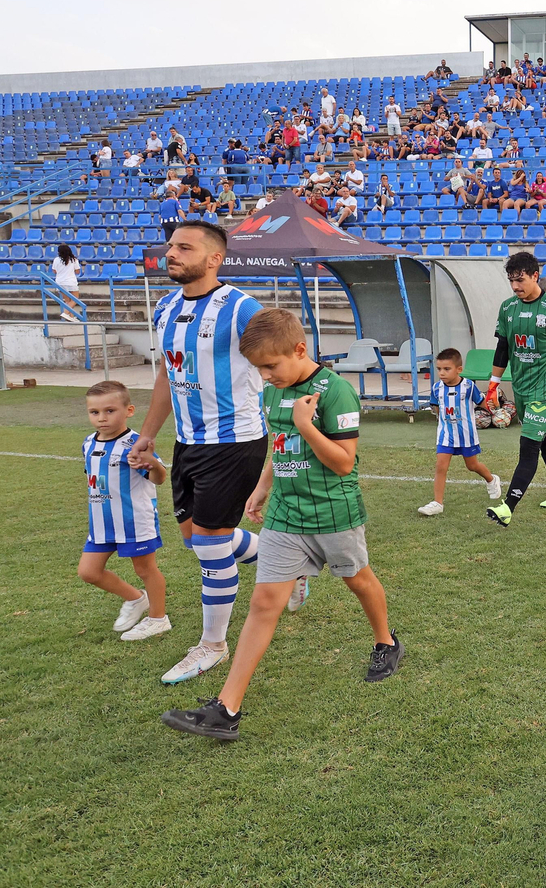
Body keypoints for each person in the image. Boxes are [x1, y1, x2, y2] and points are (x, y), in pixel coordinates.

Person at [160, 309, 404, 740]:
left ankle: (386, 641)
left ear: (299, 350)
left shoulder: (336, 391)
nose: (265, 376)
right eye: (258, 369)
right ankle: (226, 709)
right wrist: (262, 486)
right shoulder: (273, 393)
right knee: (263, 604)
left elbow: (343, 463)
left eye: (270, 366)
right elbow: (280, 444)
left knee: (359, 581)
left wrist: (305, 426)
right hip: (285, 514)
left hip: (334, 513)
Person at [128, 222, 297, 685]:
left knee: (208, 543)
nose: (171, 253)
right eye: (171, 246)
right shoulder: (165, 308)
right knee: (194, 537)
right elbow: (167, 377)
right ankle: (290, 566)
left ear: (214, 258)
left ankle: (212, 645)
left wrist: (294, 421)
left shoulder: (242, 308)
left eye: (185, 247)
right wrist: (148, 434)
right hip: (189, 443)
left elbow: (285, 361)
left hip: (235, 441)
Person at [483, 252, 546, 526]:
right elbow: (503, 348)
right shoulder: (508, 308)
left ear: (535, 276)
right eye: (511, 280)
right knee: (545, 437)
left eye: (520, 280)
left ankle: (507, 507)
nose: (515, 286)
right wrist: (493, 384)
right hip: (522, 388)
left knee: (528, 445)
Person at [78, 380, 172, 641]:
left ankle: (158, 619)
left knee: (145, 570)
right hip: (102, 523)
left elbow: (160, 479)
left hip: (134, 520)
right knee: (88, 572)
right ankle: (135, 598)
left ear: (129, 410)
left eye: (110, 411)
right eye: (94, 412)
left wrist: (152, 463)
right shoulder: (88, 443)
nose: (102, 418)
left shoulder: (135, 444)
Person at [416, 348, 502, 517]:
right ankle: (437, 503)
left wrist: (495, 409)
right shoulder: (436, 388)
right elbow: (437, 408)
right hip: (446, 434)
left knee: (472, 466)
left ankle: (492, 479)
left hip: (466, 435)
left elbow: (482, 403)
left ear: (459, 369)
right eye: (439, 369)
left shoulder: (468, 386)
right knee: (441, 466)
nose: (442, 373)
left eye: (446, 369)